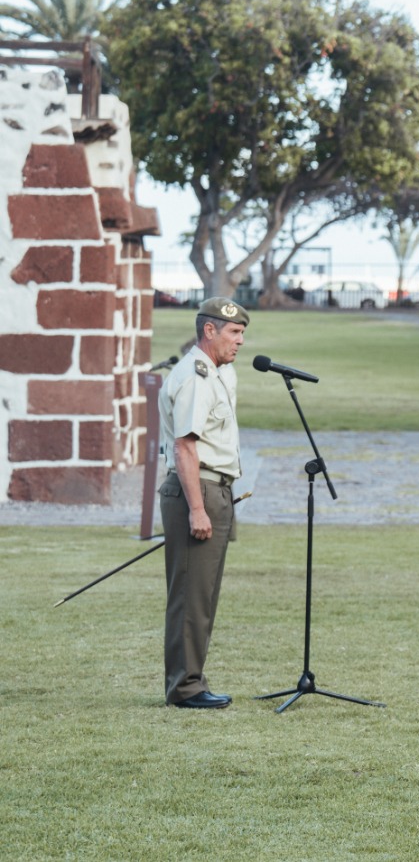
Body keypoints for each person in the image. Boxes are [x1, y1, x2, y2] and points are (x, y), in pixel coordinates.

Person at [158, 297, 249, 709]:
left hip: (215, 488)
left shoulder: (217, 372)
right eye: (234, 332)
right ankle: (185, 688)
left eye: (242, 333)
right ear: (209, 330)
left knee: (203, 594)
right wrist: (197, 508)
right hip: (198, 490)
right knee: (191, 597)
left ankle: (191, 680)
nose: (240, 341)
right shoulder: (196, 376)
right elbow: (184, 447)